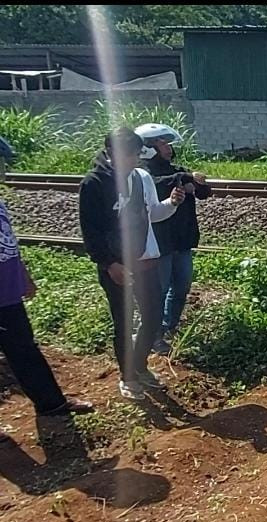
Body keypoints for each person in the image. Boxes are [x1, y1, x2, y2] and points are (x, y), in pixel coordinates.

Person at [78, 127, 185, 400]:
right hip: (116, 266)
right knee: (123, 321)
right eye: (129, 155)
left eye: (137, 155)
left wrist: (171, 203)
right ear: (111, 152)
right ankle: (127, 376)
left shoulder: (141, 178)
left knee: (151, 317)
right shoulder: (95, 183)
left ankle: (140, 366)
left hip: (144, 259)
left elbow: (153, 213)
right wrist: (109, 264)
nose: (134, 160)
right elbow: (90, 231)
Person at [0, 198, 94, 441]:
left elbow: (9, 244)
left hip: (7, 293)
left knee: (24, 348)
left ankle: (50, 404)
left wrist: (23, 275)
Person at [134, 123, 212, 355]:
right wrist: (184, 177)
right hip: (161, 242)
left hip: (182, 239)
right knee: (159, 288)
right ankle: (153, 333)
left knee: (181, 286)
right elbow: (159, 184)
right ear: (148, 147)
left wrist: (196, 185)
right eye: (161, 143)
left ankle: (169, 326)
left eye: (167, 143)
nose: (167, 147)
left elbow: (204, 192)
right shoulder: (144, 174)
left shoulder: (176, 169)